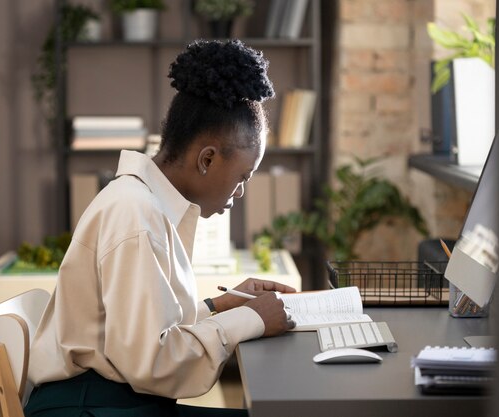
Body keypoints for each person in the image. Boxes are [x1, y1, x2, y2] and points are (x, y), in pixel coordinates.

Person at [25, 39, 296, 417]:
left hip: (110, 399)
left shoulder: (144, 202)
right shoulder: (136, 215)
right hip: (88, 407)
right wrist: (251, 319)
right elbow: (151, 362)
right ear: (207, 159)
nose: (242, 191)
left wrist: (221, 304)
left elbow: (141, 330)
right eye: (242, 176)